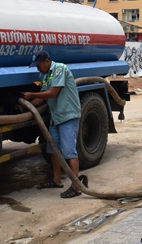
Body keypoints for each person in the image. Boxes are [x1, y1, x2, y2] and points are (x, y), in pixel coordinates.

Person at [21, 51, 86, 198]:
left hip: (67, 115)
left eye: (38, 65)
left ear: (46, 61)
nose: (37, 68)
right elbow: (42, 98)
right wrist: (27, 105)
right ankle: (57, 180)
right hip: (56, 117)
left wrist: (31, 95)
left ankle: (76, 187)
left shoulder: (59, 69)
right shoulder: (46, 75)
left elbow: (53, 93)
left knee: (69, 151)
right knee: (52, 149)